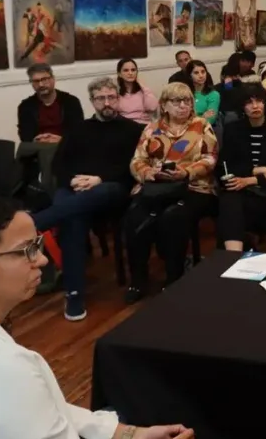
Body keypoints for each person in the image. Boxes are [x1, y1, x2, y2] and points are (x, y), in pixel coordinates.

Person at [0, 196, 197, 439]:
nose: (43, 259)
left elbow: (28, 412)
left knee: (124, 414)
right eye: (26, 250)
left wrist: (128, 436)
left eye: (38, 244)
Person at [30, 77, 144, 320]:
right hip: (74, 188)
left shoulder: (133, 130)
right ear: (92, 101)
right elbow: (59, 163)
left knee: (86, 199)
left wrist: (99, 179)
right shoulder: (78, 128)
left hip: (111, 189)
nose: (107, 103)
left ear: (118, 99)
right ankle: (74, 294)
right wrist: (72, 180)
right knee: (73, 217)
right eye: (101, 98)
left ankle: (35, 223)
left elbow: (133, 168)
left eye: (111, 97)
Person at [123, 82, 218, 303]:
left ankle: (174, 276)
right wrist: (148, 173)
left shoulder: (201, 125)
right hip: (155, 187)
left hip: (193, 186)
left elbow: (210, 158)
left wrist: (185, 172)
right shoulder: (151, 128)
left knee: (173, 216)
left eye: (187, 101)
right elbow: (137, 160)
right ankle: (138, 278)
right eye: (176, 101)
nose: (183, 106)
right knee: (135, 216)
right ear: (164, 105)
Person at [216, 84, 266, 252]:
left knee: (229, 209)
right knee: (230, 199)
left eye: (259, 101)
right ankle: (235, 253)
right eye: (249, 102)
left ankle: (231, 257)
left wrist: (248, 179)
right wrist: (260, 170)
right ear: (242, 106)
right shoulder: (233, 129)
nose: (255, 106)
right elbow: (226, 165)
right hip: (241, 190)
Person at [17, 62, 84, 144]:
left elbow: (78, 132)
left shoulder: (71, 102)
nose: (41, 84)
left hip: (66, 148)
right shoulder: (25, 106)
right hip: (38, 150)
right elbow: (25, 136)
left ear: (53, 79)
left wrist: (61, 140)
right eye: (36, 81)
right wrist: (36, 140)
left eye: (44, 79)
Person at [116, 59, 159, 124]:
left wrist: (142, 85)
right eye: (126, 70)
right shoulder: (116, 92)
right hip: (125, 126)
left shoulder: (144, 91)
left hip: (144, 125)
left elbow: (152, 108)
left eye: (133, 70)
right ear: (119, 74)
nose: (130, 73)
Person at [186, 60, 220, 125]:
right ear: (189, 76)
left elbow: (210, 120)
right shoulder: (185, 94)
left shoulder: (213, 94)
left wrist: (193, 119)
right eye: (196, 73)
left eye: (203, 72)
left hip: (204, 130)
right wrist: (202, 117)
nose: (201, 76)